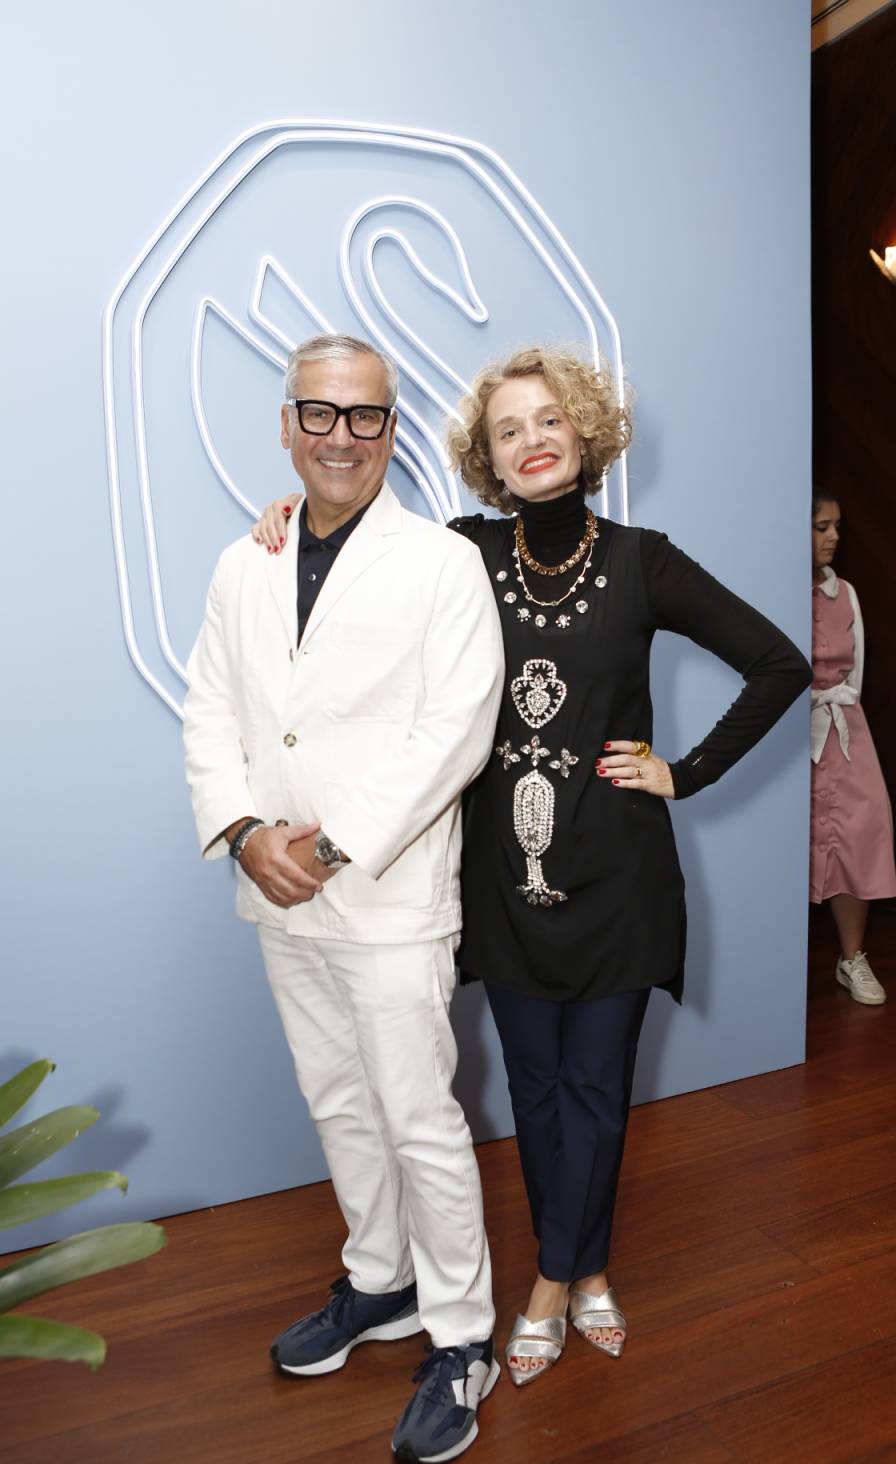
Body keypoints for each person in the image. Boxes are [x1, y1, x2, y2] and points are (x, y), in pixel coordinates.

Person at [252, 343, 810, 1386]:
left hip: (618, 883)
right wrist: (282, 527)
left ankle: (559, 1279)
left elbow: (780, 661)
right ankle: (583, 1263)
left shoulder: (645, 560)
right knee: (538, 1089)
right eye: (509, 430)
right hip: (498, 882)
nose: (532, 440)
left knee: (595, 1091)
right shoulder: (456, 552)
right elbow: (352, 551)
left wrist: (682, 773)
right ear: (489, 459)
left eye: (548, 419)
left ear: (582, 432)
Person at [183, 333, 505, 1464]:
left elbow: (452, 732)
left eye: (363, 416)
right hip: (274, 887)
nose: (339, 436)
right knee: (337, 1100)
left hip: (385, 891)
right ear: (286, 424)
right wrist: (239, 832)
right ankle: (382, 1281)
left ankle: (463, 1334)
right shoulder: (244, 560)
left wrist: (325, 851)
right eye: (317, 414)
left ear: (391, 428)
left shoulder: (439, 564)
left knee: (419, 1117)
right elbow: (211, 710)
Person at [810, 487, 895, 1003]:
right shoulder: (774, 587)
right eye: (822, 526)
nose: (835, 536)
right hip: (791, 728)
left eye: (837, 525)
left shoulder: (848, 595)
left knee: (862, 829)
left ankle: (851, 958)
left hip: (843, 726)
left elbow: (855, 673)